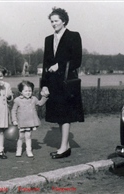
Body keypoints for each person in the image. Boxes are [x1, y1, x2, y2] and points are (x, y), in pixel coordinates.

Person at [41, 7, 84, 159]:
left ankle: (63, 147)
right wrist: (44, 85)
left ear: (64, 21)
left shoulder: (73, 36)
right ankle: (65, 145)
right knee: (59, 115)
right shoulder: (48, 39)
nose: (53, 24)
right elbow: (45, 63)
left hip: (66, 83)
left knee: (65, 115)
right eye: (51, 21)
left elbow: (77, 60)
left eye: (56, 21)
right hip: (53, 83)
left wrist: (59, 65)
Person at [11, 81, 48, 157]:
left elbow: (40, 103)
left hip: (30, 122)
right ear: (21, 92)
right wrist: (14, 120)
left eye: (30, 91)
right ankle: (19, 149)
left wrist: (45, 97)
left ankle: (29, 150)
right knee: (20, 137)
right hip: (21, 122)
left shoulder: (34, 99)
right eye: (26, 91)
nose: (28, 93)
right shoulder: (17, 100)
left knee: (28, 136)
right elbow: (13, 110)